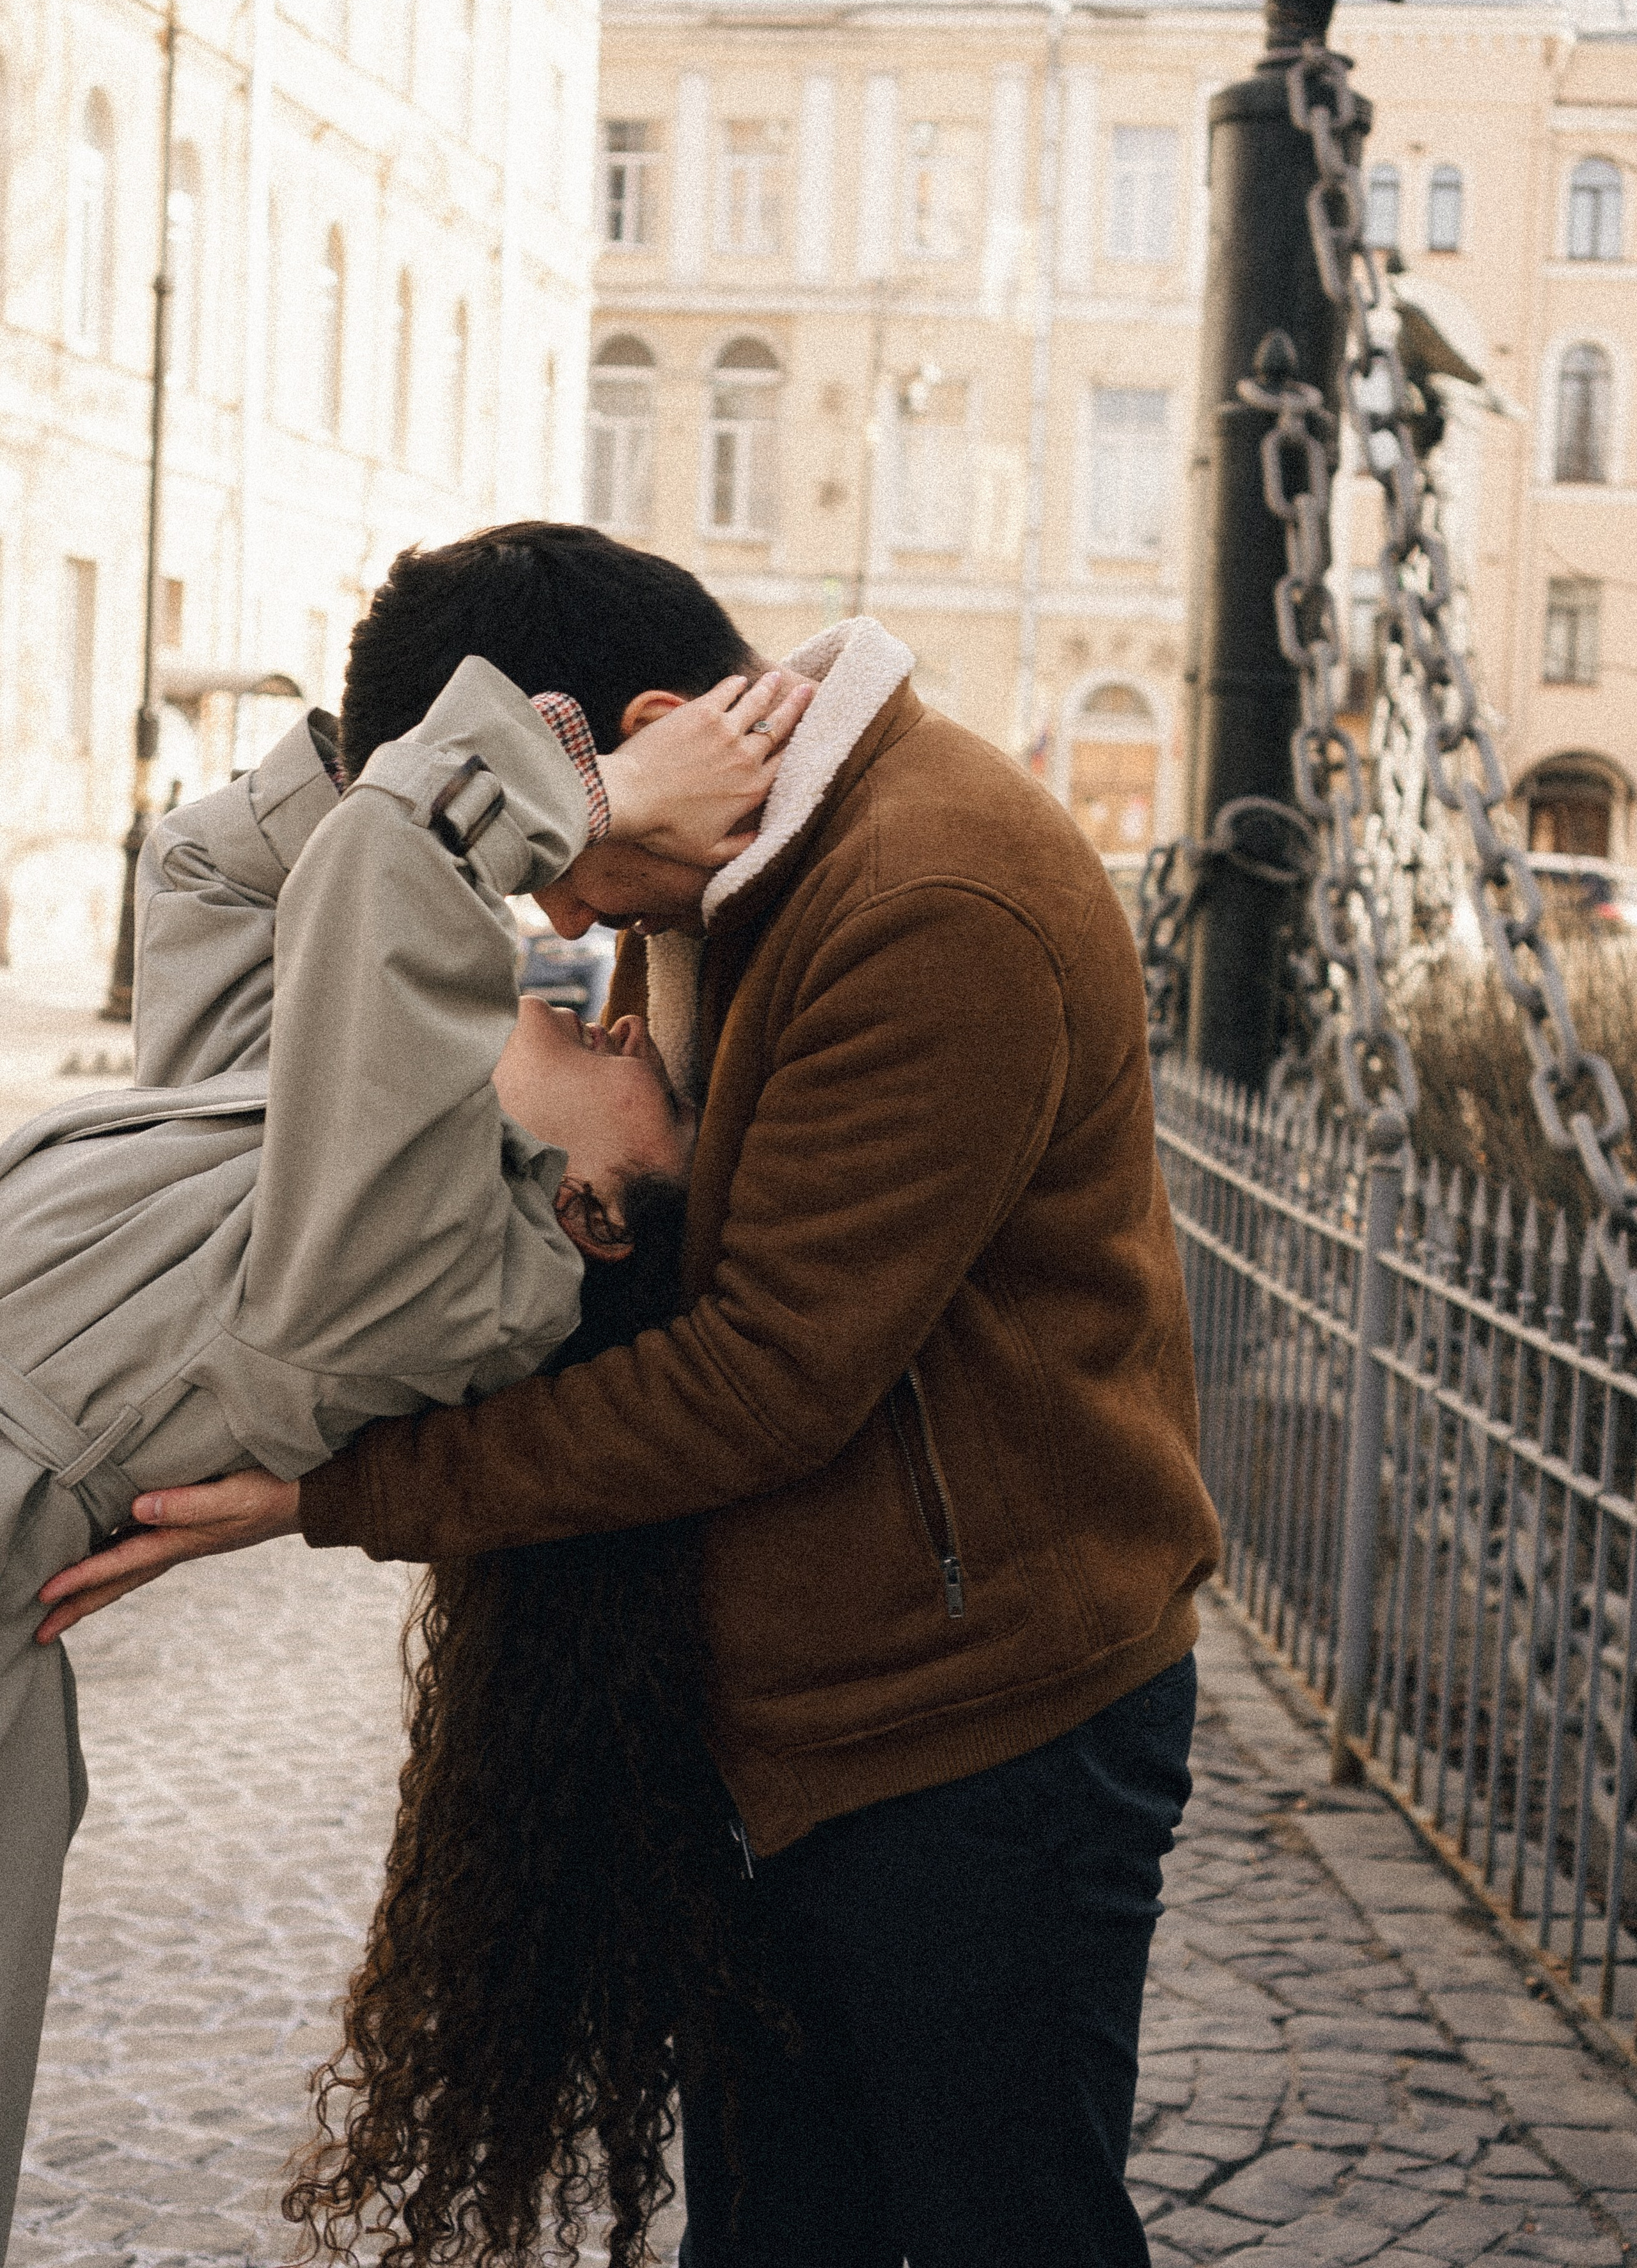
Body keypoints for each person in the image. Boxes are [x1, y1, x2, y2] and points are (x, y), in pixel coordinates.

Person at [42, 521, 1223, 2268]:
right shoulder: (729, 871)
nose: (561, 920)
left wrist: (338, 1493)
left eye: (568, 864)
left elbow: (763, 1378)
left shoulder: (926, 899)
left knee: (1004, 2226)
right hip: (796, 1720)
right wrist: (433, 792)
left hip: (976, 1730)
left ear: (656, 730)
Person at [1, 633, 808, 2258]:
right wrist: (420, 785)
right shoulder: (335, 1159)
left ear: (592, 1220)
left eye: (666, 1092)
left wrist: (593, 801)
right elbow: (216, 878)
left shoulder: (435, 1279)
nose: (633, 1033)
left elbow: (390, 881)